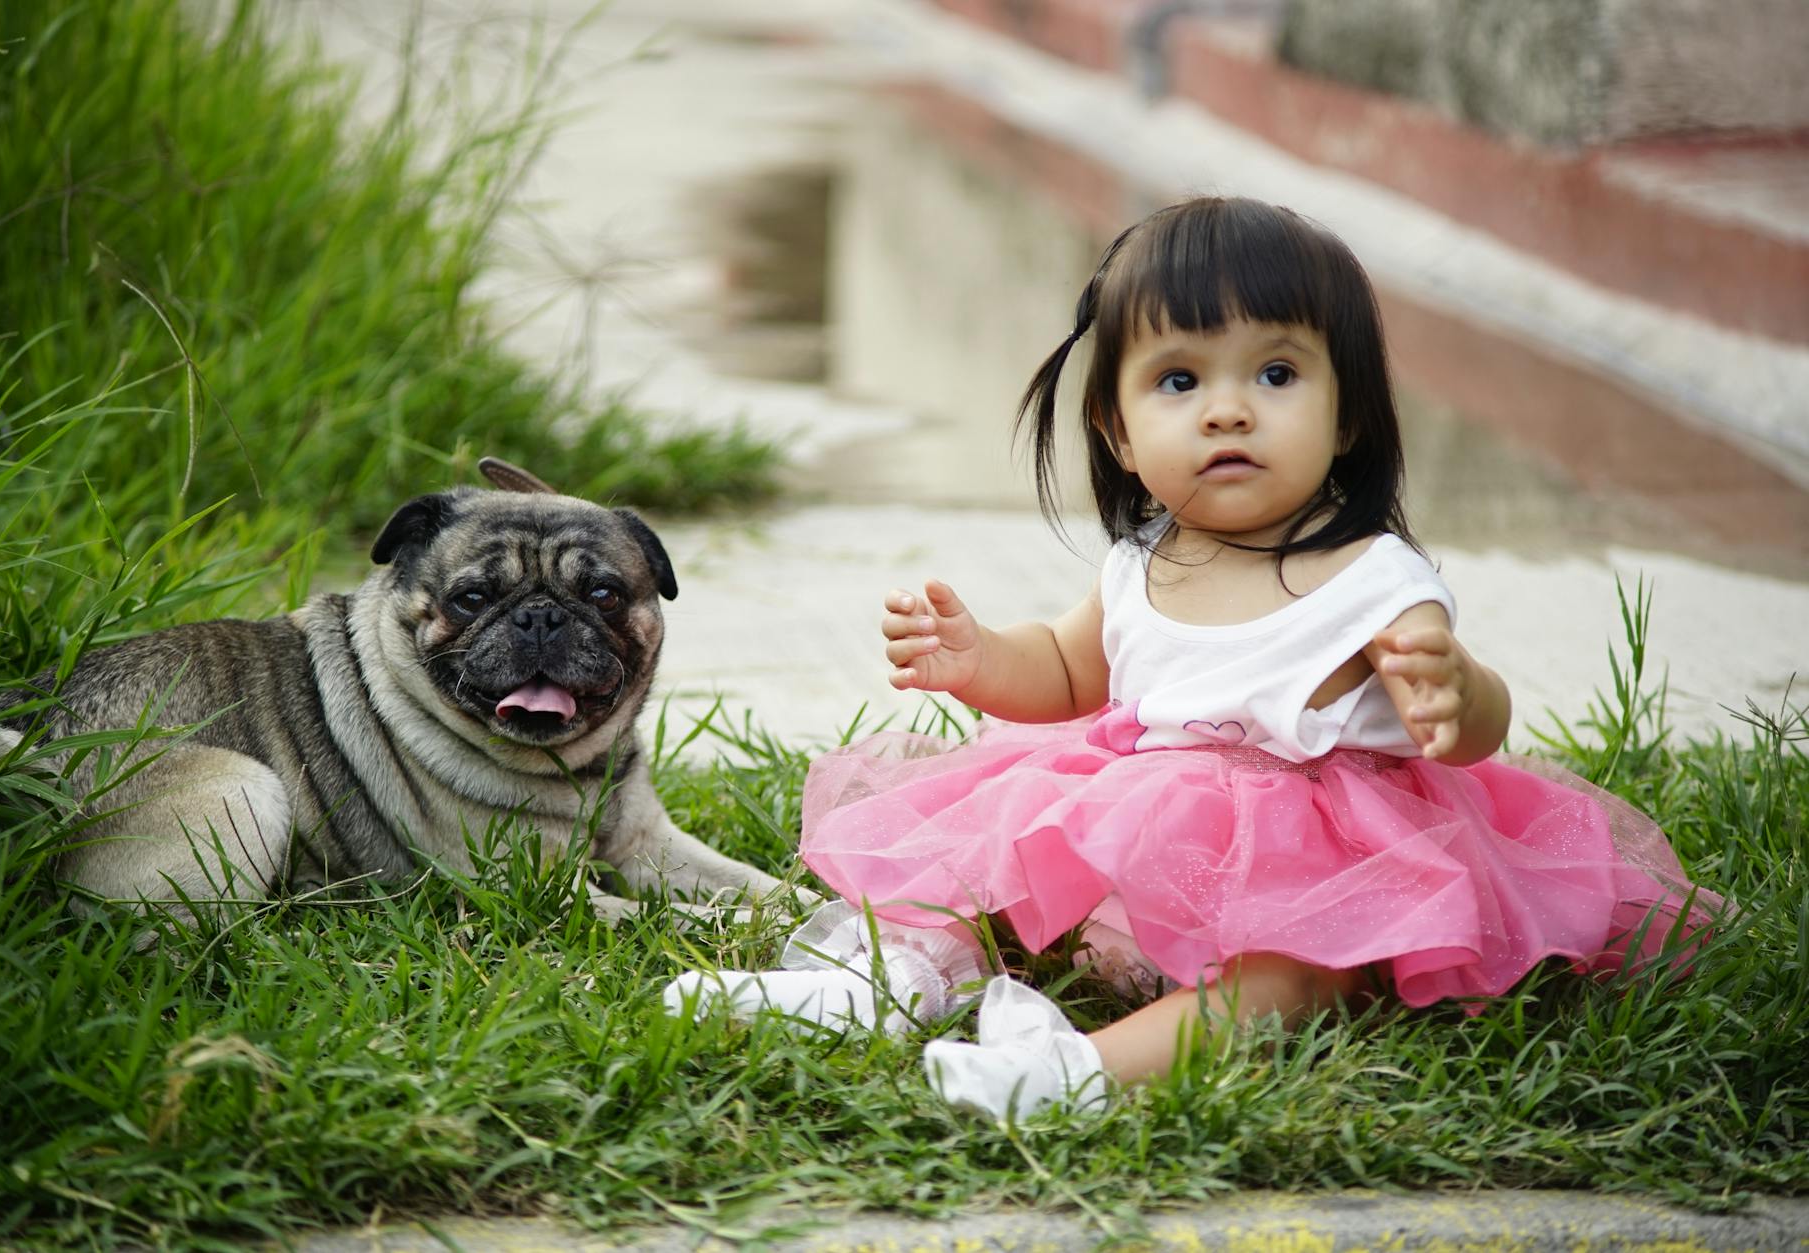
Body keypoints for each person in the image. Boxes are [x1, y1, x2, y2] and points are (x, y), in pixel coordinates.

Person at [662, 196, 1719, 1125]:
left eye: (1273, 372)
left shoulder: (1371, 576)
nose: (1226, 408)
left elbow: (1472, 718)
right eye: (1178, 378)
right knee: (980, 861)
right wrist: (980, 657)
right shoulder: (1140, 563)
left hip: (1314, 859)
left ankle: (1072, 1070)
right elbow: (1068, 675)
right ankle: (882, 976)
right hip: (1132, 833)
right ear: (1117, 432)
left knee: (1292, 978)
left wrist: (1455, 692)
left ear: (1347, 411)